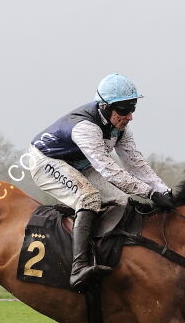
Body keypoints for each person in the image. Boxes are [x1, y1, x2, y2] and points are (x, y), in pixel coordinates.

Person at [25, 73, 174, 290]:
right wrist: (149, 193)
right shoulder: (86, 127)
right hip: (46, 162)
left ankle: (106, 253)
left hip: (79, 165)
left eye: (132, 108)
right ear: (104, 107)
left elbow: (135, 163)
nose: (130, 116)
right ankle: (78, 269)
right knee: (89, 198)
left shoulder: (120, 129)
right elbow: (110, 171)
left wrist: (163, 190)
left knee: (121, 200)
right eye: (124, 109)